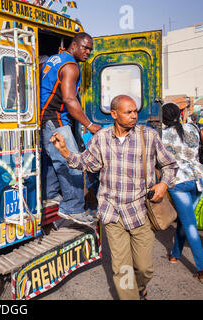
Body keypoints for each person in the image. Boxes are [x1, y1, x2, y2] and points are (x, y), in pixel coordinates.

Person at [50, 95, 178, 300]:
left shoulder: (149, 136)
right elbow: (87, 164)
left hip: (140, 213)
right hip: (112, 214)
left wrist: (163, 184)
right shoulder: (101, 138)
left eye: (135, 111)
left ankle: (141, 287)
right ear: (114, 114)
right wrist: (65, 151)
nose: (134, 116)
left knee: (145, 268)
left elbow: (170, 165)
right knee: (122, 269)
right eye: (129, 112)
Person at [40, 32, 102, 225]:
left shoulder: (54, 59)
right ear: (74, 45)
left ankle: (51, 195)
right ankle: (73, 208)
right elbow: (68, 99)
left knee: (53, 159)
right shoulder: (71, 67)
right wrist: (89, 125)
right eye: (85, 47)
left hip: (45, 118)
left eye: (91, 49)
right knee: (73, 162)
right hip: (56, 118)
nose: (88, 52)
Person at [161, 102, 203, 284]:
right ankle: (175, 254)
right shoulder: (192, 127)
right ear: (179, 114)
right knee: (186, 220)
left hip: (179, 182)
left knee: (190, 225)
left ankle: (201, 269)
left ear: (163, 118)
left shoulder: (162, 135)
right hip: (199, 179)